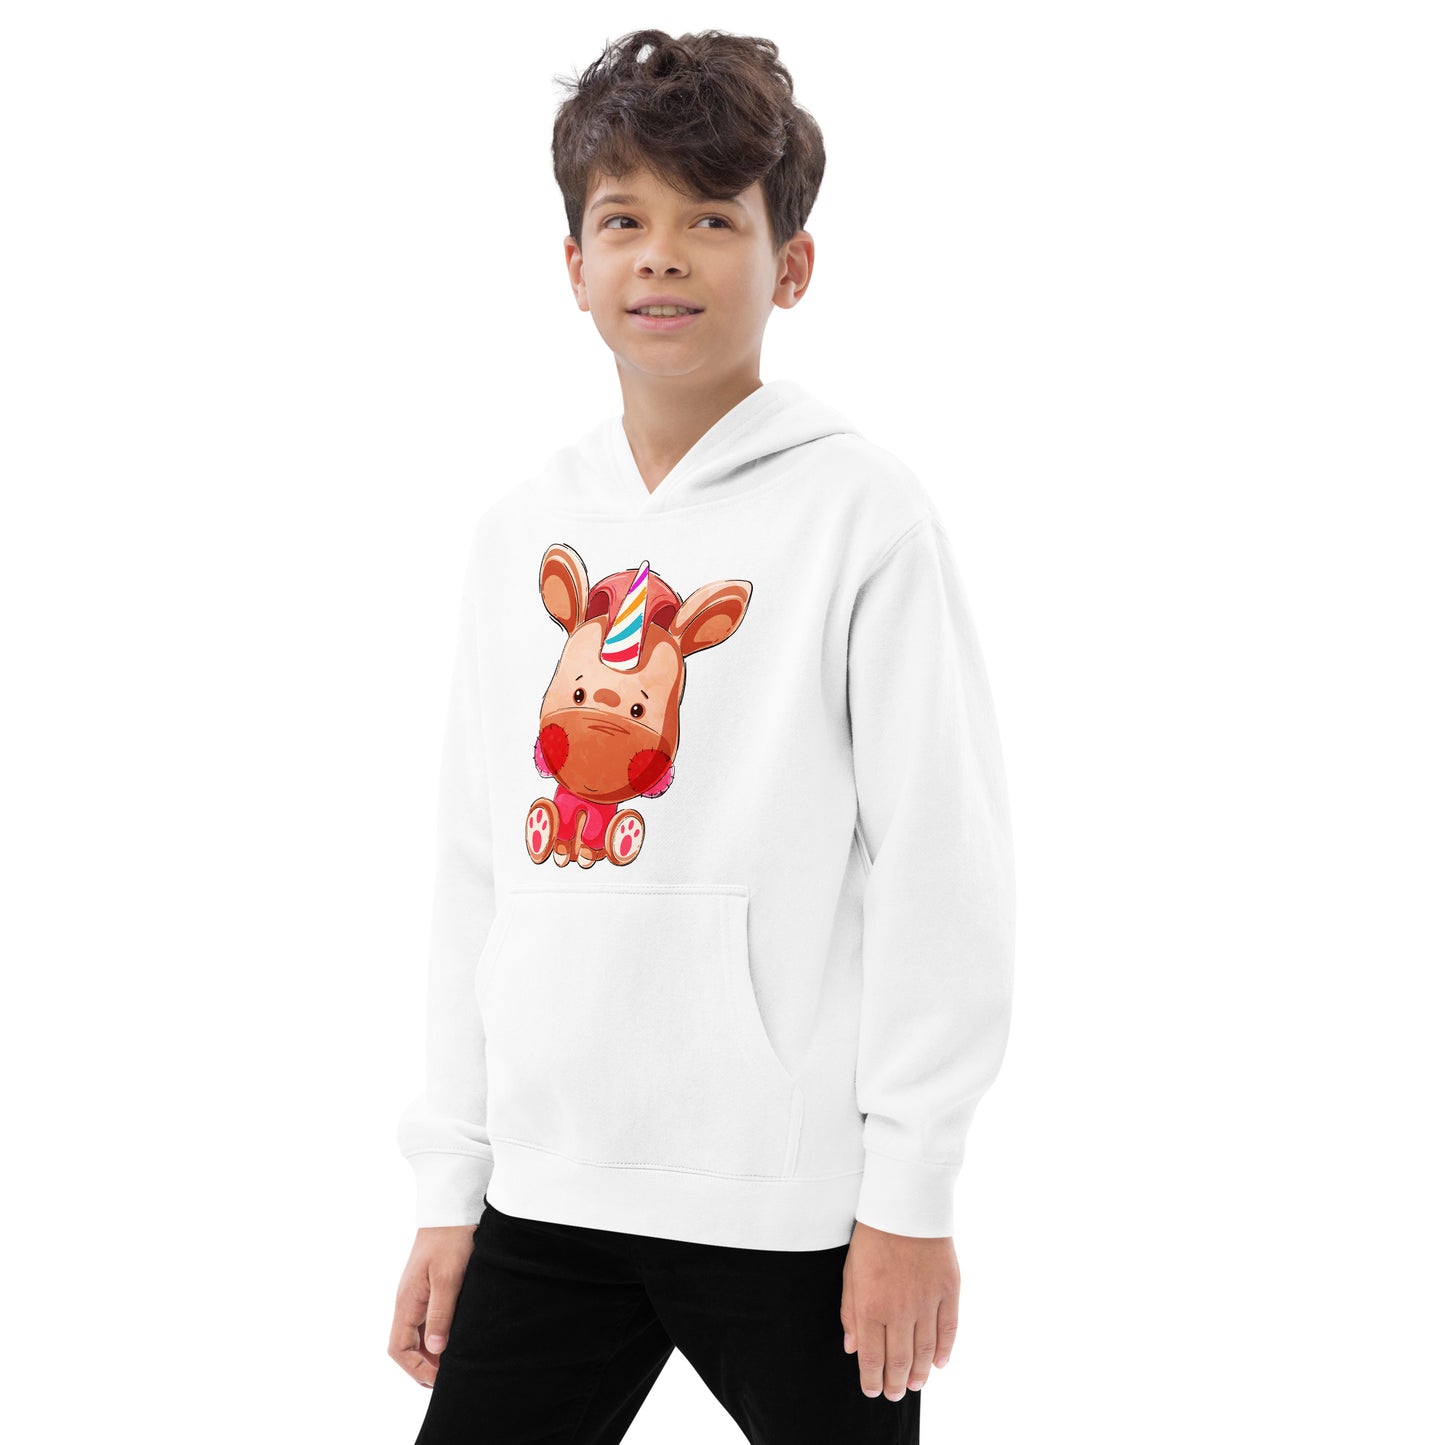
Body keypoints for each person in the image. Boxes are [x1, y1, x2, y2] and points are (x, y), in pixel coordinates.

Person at [387, 27, 1015, 1444]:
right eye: (624, 220)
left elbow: (942, 868)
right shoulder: (517, 532)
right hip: (545, 1192)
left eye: (711, 220)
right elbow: (475, 871)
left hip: (788, 1209)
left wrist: (909, 1197)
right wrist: (449, 1184)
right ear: (573, 266)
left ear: (792, 264)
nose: (661, 256)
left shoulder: (862, 516)